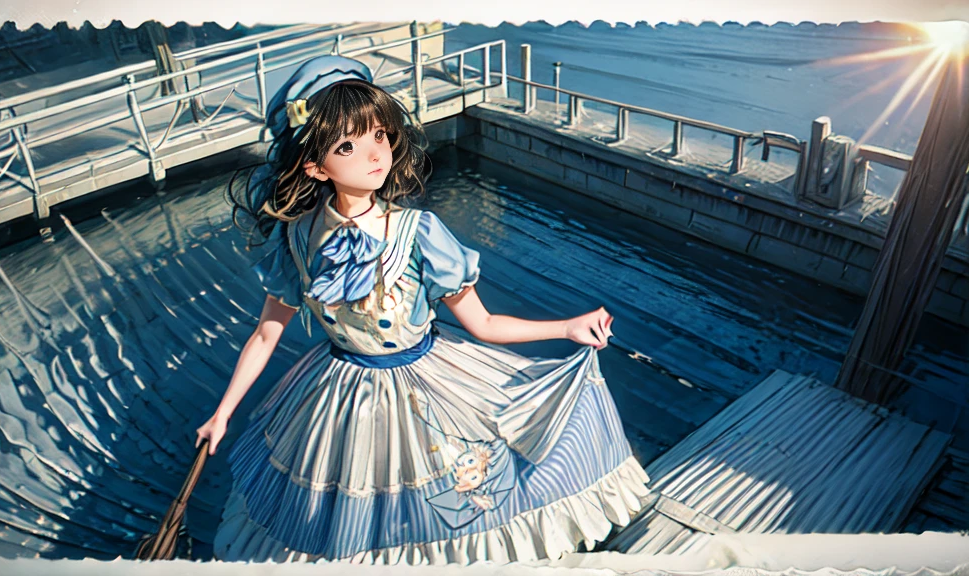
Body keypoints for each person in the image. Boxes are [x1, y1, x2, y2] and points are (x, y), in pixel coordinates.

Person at [195, 54, 651, 565]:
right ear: (315, 167)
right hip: (340, 393)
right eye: (349, 145)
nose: (373, 155)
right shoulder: (298, 235)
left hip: (427, 382)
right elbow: (265, 334)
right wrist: (223, 413)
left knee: (448, 499)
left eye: (379, 137)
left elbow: (483, 323)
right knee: (352, 511)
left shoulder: (420, 233)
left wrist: (567, 326)